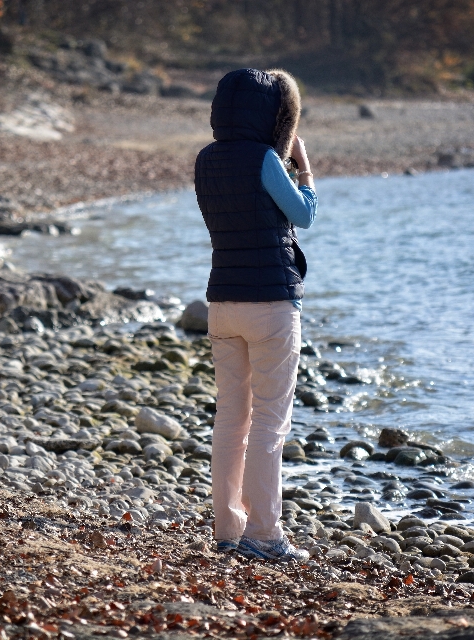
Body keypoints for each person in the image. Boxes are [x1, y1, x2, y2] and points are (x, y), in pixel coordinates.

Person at [194, 68, 317, 562]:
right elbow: (304, 213)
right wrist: (302, 169)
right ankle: (265, 535)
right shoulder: (267, 158)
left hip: (222, 302)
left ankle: (228, 529)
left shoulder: (206, 159)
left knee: (231, 419)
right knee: (269, 422)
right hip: (270, 303)